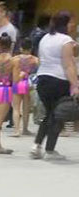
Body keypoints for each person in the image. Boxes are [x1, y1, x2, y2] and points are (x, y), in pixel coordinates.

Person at [30, 11, 79, 160]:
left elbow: (41, 60)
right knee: (58, 116)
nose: (73, 25)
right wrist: (75, 85)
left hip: (43, 80)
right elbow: (68, 65)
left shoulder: (45, 38)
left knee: (50, 114)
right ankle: (49, 150)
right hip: (58, 81)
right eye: (71, 22)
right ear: (65, 23)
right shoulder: (65, 40)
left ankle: (37, 145)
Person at [11, 38, 39, 137]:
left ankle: (16, 130)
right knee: (26, 108)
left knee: (16, 108)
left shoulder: (15, 59)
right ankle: (25, 129)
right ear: (31, 48)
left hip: (17, 82)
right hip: (27, 83)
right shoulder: (35, 59)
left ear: (21, 48)